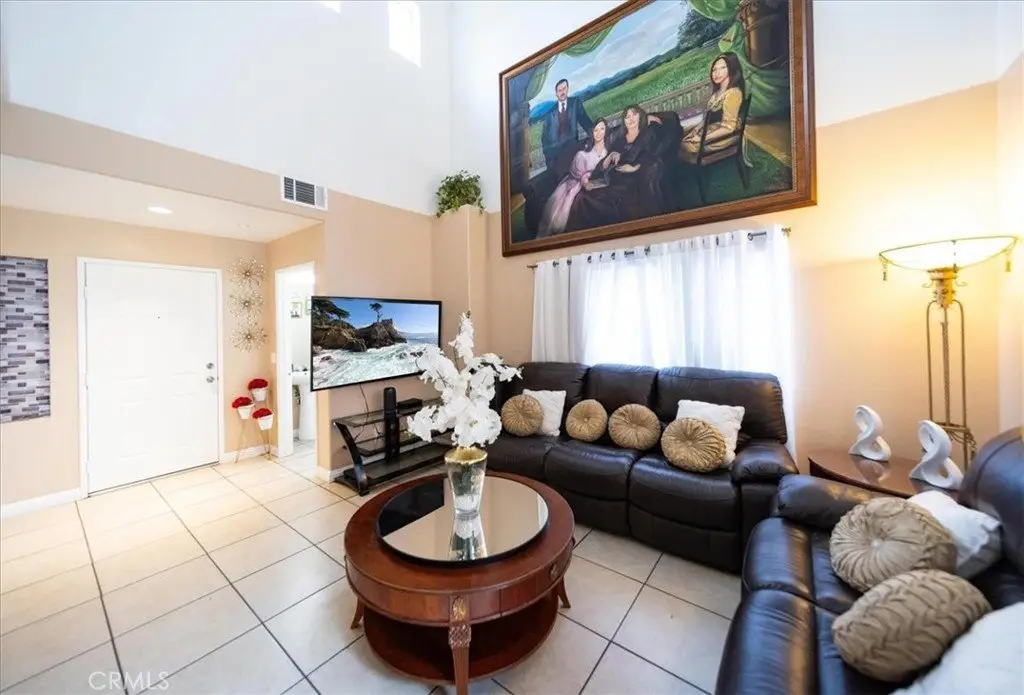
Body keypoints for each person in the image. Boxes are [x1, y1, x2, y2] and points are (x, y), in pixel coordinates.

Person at [565, 104, 681, 232]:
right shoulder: (619, 140)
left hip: (634, 179)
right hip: (615, 179)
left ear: (641, 116)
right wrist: (609, 157)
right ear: (624, 121)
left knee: (612, 200)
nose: (630, 119)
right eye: (627, 117)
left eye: (634, 114)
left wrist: (635, 167)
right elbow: (600, 168)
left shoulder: (647, 133)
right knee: (584, 198)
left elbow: (655, 152)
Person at [537, 119, 609, 237]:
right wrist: (584, 179)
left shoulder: (607, 152)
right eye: (596, 130)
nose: (599, 133)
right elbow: (576, 172)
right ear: (592, 133)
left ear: (606, 131)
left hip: (597, 182)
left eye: (602, 129)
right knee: (558, 220)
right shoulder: (583, 154)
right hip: (576, 183)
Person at [681, 52, 746, 165]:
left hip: (727, 135)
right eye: (714, 70)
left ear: (732, 69)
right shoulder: (717, 93)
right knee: (683, 137)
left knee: (683, 145)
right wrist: (696, 130)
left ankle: (693, 164)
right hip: (714, 128)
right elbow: (708, 117)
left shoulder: (733, 94)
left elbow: (729, 128)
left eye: (723, 68)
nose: (717, 73)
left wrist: (702, 138)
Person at [540, 78, 594, 181]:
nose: (562, 92)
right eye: (559, 90)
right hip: (558, 155)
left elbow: (585, 121)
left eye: (564, 88)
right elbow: (544, 138)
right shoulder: (550, 113)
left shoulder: (575, 103)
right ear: (556, 93)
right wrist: (549, 159)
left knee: (579, 177)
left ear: (568, 89)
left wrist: (595, 136)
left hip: (573, 148)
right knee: (563, 181)